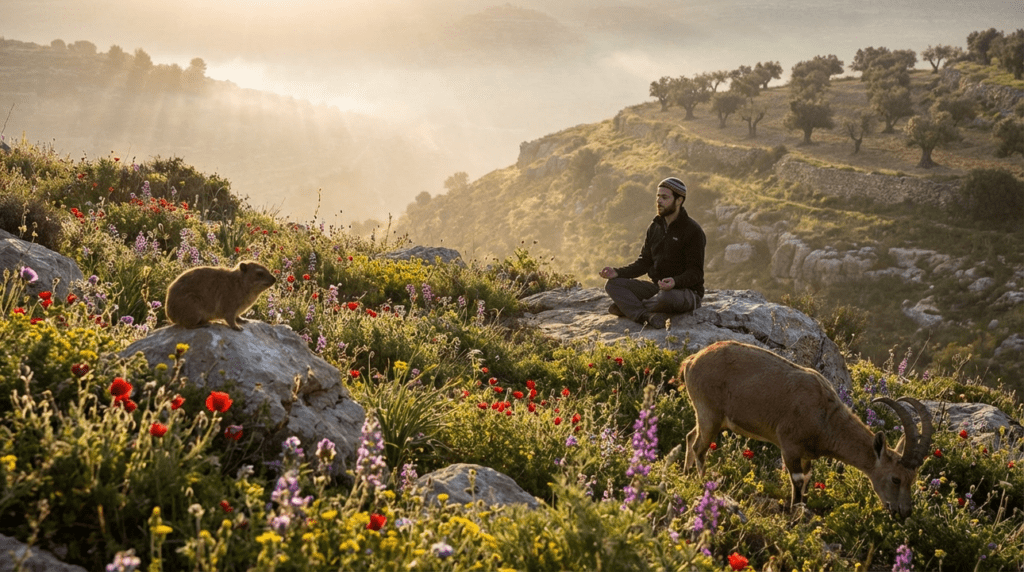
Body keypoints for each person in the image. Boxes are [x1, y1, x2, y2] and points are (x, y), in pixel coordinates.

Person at [599, 177, 705, 329]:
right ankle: (646, 316)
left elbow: (696, 273)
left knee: (666, 298)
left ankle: (629, 308)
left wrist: (675, 282)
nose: (659, 201)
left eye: (664, 197)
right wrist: (617, 272)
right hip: (658, 288)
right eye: (658, 196)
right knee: (613, 285)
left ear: (679, 200)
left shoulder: (692, 231)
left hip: (684, 293)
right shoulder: (655, 227)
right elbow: (644, 262)